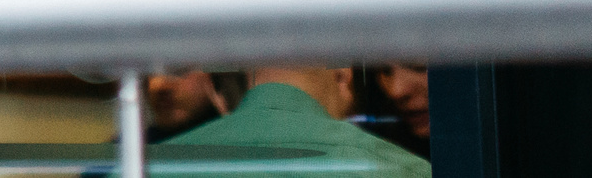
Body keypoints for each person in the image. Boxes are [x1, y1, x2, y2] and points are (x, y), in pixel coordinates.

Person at [162, 64, 431, 177]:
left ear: (219, 97)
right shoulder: (406, 171)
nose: (396, 90)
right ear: (343, 76)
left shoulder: (138, 168)